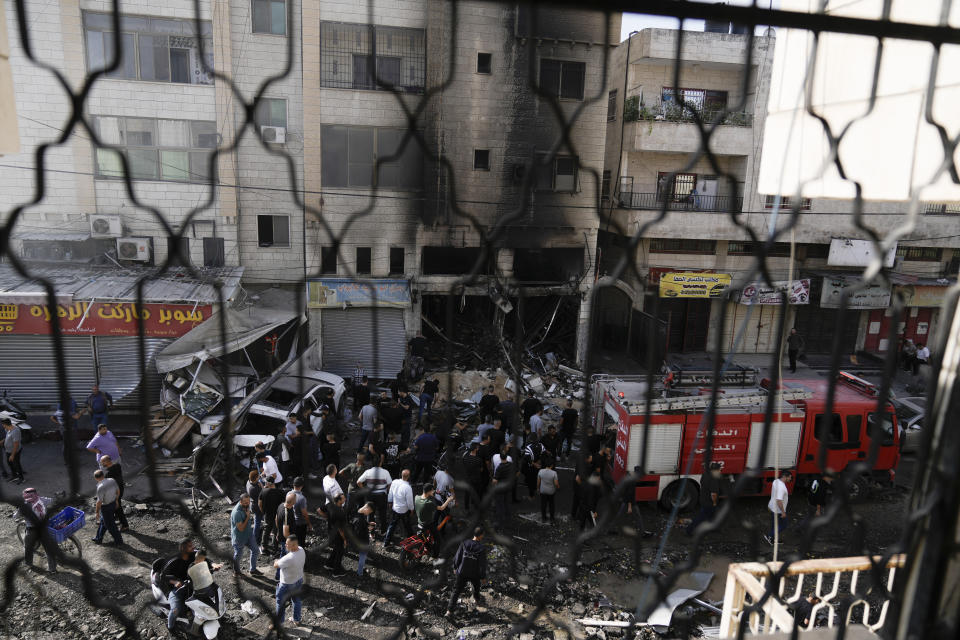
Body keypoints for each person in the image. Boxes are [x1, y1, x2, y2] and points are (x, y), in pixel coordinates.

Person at [444, 527, 488, 618]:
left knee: (456, 591)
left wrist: (455, 567)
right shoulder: (481, 548)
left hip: (462, 572)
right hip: (474, 574)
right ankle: (476, 600)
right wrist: (483, 577)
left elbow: (457, 556)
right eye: (483, 534)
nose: (483, 536)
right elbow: (482, 565)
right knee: (476, 587)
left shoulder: (464, 543)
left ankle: (449, 611)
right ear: (480, 535)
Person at [162, 539, 200, 632]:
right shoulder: (174, 561)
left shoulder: (193, 555)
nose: (193, 547)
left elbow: (204, 559)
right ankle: (170, 626)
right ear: (183, 549)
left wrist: (213, 564)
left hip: (192, 586)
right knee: (175, 610)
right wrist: (175, 582)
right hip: (177, 589)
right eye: (190, 546)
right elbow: (163, 576)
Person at [20, 487, 56, 573]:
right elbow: (53, 501)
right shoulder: (43, 499)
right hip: (45, 527)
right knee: (48, 549)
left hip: (32, 530)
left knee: (28, 547)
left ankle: (29, 563)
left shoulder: (25, 505)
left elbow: (16, 516)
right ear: (37, 494)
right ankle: (53, 569)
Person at [274, 535, 306, 626]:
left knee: (280, 602)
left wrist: (276, 560)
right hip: (298, 580)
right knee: (296, 600)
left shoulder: (289, 557)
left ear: (294, 545)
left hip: (286, 584)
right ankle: (297, 620)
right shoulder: (301, 550)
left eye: (287, 544)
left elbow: (276, 565)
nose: (285, 546)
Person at [357, 457, 392, 533]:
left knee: (370, 513)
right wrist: (386, 490)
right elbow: (390, 484)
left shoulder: (367, 472)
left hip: (370, 495)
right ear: (380, 463)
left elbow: (358, 482)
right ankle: (383, 531)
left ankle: (371, 532)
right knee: (382, 513)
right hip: (381, 495)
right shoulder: (385, 472)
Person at [686, 462, 722, 536]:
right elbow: (713, 494)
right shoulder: (713, 479)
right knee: (701, 517)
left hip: (703, 498)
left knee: (713, 515)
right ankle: (689, 530)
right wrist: (714, 503)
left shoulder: (705, 474)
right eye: (719, 470)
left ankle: (712, 528)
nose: (720, 471)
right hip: (709, 502)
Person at [415, 482, 454, 547]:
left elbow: (428, 497)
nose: (433, 491)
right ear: (428, 492)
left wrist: (434, 492)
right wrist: (448, 500)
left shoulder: (416, 497)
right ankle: (435, 554)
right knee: (438, 540)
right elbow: (441, 508)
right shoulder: (429, 503)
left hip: (420, 521)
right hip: (427, 524)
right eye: (432, 490)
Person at [231, 493, 261, 574]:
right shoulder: (237, 513)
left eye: (248, 502)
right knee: (238, 555)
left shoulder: (246, 506)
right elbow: (240, 529)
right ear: (240, 502)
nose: (247, 504)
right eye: (245, 503)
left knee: (255, 550)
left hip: (248, 534)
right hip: (239, 537)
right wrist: (248, 517)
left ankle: (253, 570)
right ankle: (236, 571)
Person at [384, 468, 414, 546]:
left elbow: (390, 492)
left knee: (392, 525)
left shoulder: (394, 482)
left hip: (395, 508)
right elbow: (409, 501)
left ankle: (386, 542)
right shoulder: (408, 487)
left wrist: (390, 501)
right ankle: (411, 539)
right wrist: (412, 509)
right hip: (404, 510)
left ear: (401, 475)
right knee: (407, 525)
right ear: (409, 477)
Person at [92, 469, 123, 545]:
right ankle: (98, 539)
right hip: (112, 504)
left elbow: (99, 502)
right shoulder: (112, 480)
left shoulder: (100, 487)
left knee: (111, 525)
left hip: (106, 507)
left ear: (96, 478)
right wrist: (116, 501)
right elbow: (118, 491)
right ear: (103, 475)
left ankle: (119, 541)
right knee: (103, 522)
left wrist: (96, 512)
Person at [100, 455, 129, 532]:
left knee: (118, 508)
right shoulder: (117, 466)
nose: (101, 463)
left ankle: (125, 525)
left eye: (102, 461)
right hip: (121, 489)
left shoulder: (108, 474)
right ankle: (119, 520)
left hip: (115, 493)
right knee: (117, 507)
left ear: (107, 461)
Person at [764, 470, 793, 545]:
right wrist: (783, 512)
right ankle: (770, 536)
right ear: (784, 477)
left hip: (772, 506)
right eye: (789, 477)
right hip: (778, 510)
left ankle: (772, 538)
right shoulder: (781, 487)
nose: (790, 479)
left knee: (775, 524)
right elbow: (779, 501)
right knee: (784, 525)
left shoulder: (776, 481)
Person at [323, 493, 348, 576]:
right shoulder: (339, 512)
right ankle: (336, 572)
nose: (345, 499)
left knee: (336, 549)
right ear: (339, 500)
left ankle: (329, 564)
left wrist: (329, 519)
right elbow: (340, 529)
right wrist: (344, 539)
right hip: (338, 534)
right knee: (339, 552)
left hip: (331, 531)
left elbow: (319, 510)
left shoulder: (330, 505)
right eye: (343, 498)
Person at [258, 478, 284, 555]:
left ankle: (264, 547)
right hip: (277, 515)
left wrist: (263, 512)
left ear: (268, 483)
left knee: (266, 530)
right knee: (276, 531)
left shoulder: (263, 491)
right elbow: (283, 505)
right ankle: (275, 547)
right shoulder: (281, 492)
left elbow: (259, 504)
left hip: (267, 515)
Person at [491, 445, 515, 528]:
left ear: (500, 458)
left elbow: (495, 480)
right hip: (508, 486)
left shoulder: (499, 468)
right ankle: (508, 517)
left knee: (499, 503)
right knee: (507, 502)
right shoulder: (511, 464)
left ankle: (500, 520)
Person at [352, 501, 376, 577]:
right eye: (369, 512)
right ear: (367, 508)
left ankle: (361, 569)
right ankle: (360, 572)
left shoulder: (359, 512)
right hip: (362, 542)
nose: (368, 514)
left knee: (362, 556)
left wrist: (368, 524)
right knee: (363, 557)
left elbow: (362, 524)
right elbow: (358, 533)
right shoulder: (359, 520)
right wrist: (368, 528)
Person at [290, 477, 314, 548]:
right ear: (302, 486)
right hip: (300, 523)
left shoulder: (288, 493)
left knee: (293, 539)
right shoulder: (302, 498)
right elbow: (304, 514)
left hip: (291, 521)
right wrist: (309, 524)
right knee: (301, 541)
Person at [461, 442, 485, 513]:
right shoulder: (479, 459)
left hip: (468, 478)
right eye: (477, 447)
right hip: (476, 479)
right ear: (475, 449)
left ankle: (466, 508)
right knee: (477, 493)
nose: (478, 448)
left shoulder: (465, 458)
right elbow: (481, 470)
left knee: (467, 494)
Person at [537, 456, 559, 523]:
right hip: (551, 491)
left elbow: (538, 482)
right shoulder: (554, 473)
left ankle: (544, 518)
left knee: (543, 504)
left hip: (543, 491)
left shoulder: (540, 471)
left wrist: (538, 488)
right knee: (551, 504)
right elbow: (556, 484)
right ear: (551, 465)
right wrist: (558, 487)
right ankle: (552, 518)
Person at [522, 433, 546, 499]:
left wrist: (534, 464)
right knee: (539, 479)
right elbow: (544, 455)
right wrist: (539, 463)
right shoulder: (541, 446)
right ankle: (538, 490)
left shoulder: (528, 447)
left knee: (531, 481)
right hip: (540, 466)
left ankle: (531, 496)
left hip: (531, 467)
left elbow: (527, 458)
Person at [3, 419, 25, 484]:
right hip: (8, 450)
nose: (2, 426)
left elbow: (16, 444)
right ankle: (14, 476)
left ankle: (21, 478)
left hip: (15, 451)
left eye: (3, 424)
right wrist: (2, 441)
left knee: (16, 464)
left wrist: (13, 455)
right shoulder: (7, 429)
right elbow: (7, 437)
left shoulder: (15, 431)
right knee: (9, 463)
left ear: (5, 424)